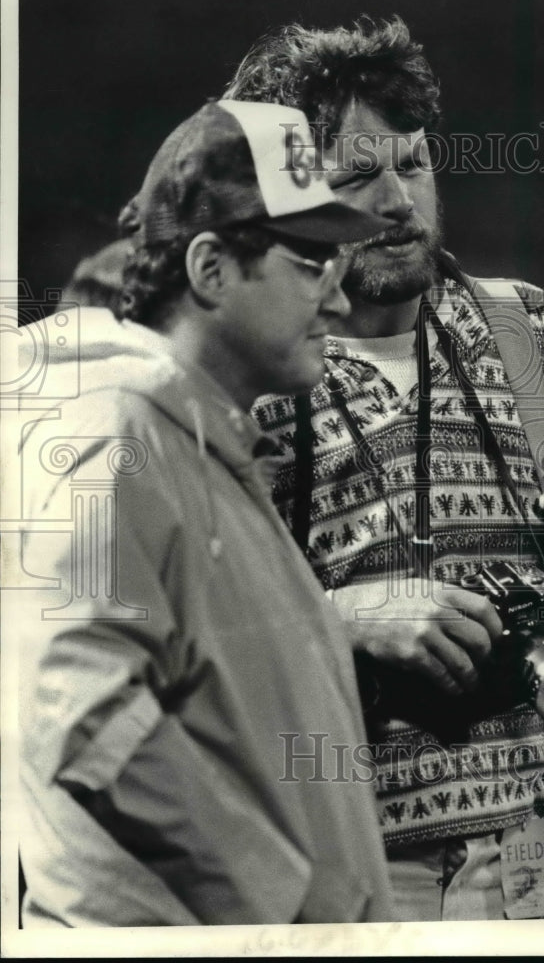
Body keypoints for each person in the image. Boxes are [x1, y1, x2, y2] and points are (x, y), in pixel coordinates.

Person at [224, 17, 544, 920]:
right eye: (357, 175)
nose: (396, 200)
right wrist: (343, 617)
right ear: (285, 195)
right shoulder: (252, 370)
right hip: (340, 870)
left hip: (531, 859)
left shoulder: (529, 330)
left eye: (415, 163)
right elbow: (197, 629)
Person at [16, 99, 396, 926]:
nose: (339, 303)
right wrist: (290, 900)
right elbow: (82, 715)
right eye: (310, 262)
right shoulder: (113, 433)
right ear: (210, 269)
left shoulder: (195, 437)